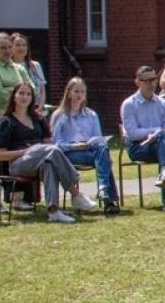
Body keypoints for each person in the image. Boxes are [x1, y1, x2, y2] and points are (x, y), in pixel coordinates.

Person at [0, 80, 95, 221]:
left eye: (28, 94)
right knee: (52, 151)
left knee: (49, 164)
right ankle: (76, 194)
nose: (25, 97)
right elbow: (0, 155)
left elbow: (49, 144)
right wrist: (25, 151)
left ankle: (53, 212)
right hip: (18, 163)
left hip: (42, 158)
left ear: (32, 98)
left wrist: (39, 150)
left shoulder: (39, 119)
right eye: (21, 93)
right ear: (14, 97)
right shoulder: (6, 121)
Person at [48, 76, 121, 214]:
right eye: (76, 91)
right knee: (104, 160)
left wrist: (90, 143)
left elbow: (98, 138)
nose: (79, 95)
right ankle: (108, 200)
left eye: (82, 92)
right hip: (69, 154)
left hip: (90, 150)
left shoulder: (91, 114)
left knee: (102, 150)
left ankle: (103, 190)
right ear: (69, 93)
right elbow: (56, 144)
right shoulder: (60, 115)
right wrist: (74, 146)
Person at [121, 65, 165, 205]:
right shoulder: (129, 104)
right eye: (147, 81)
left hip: (159, 145)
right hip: (138, 147)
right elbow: (133, 134)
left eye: (154, 79)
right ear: (138, 82)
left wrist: (158, 134)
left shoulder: (162, 103)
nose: (152, 84)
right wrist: (156, 131)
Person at [0, 32, 33, 115]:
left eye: (10, 47)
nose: (7, 50)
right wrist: (20, 92)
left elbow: (33, 91)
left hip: (20, 114)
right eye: (3, 48)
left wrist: (9, 89)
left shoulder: (19, 68)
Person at [10, 34, 45, 107]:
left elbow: (42, 90)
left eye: (24, 45)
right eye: (18, 45)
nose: (21, 48)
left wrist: (40, 107)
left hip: (36, 107)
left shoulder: (35, 66)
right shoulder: (7, 67)